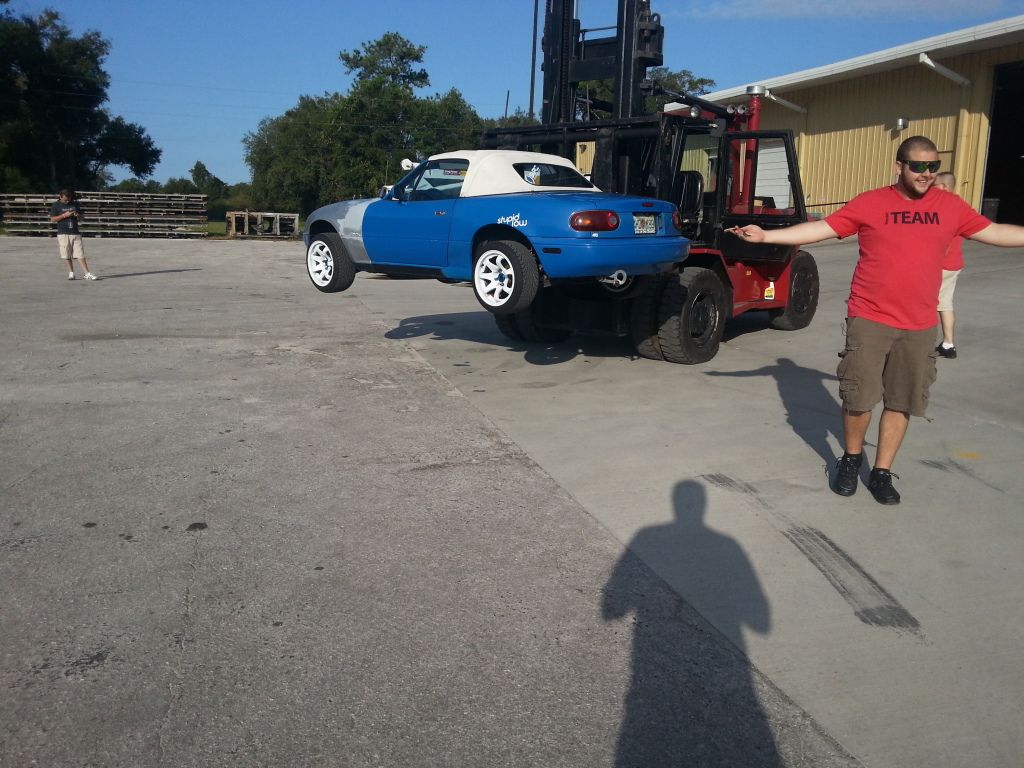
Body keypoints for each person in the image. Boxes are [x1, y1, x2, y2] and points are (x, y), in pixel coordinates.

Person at [729, 136, 1024, 505]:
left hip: (919, 324)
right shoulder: (871, 202)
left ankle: (882, 471)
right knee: (859, 397)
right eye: (918, 166)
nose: (926, 173)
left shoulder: (950, 206)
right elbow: (823, 228)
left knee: (902, 400)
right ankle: (851, 459)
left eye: (933, 166)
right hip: (869, 317)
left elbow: (994, 232)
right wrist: (767, 236)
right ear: (899, 166)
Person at [933, 172, 961, 358]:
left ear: (944, 187)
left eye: (934, 185)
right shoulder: (959, 205)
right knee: (945, 303)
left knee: (932, 303)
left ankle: (922, 344)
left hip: (941, 265)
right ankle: (948, 343)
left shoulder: (944, 207)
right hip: (953, 263)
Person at [49, 189, 97, 280]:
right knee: (66, 254)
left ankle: (87, 273)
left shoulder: (75, 204)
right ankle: (71, 272)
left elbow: (82, 218)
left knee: (80, 254)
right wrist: (64, 215)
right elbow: (52, 219)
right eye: (65, 200)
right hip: (63, 233)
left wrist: (77, 215)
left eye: (69, 199)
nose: (67, 201)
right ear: (60, 197)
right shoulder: (56, 205)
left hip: (75, 232)